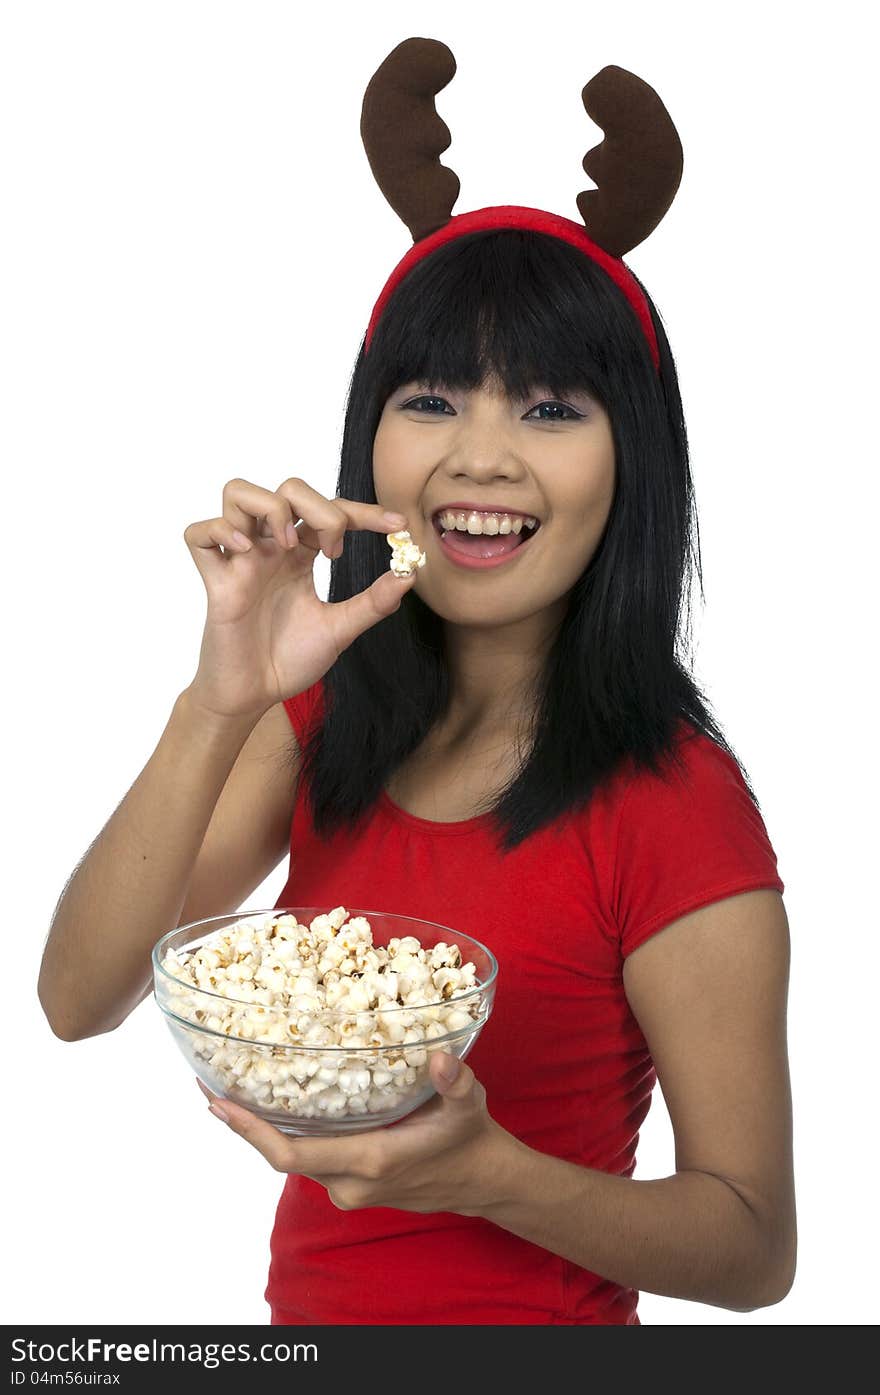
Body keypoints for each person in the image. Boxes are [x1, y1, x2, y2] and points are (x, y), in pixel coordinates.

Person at [38, 40, 796, 1326]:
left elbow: (750, 1246)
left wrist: (488, 1176)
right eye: (433, 398)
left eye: (552, 409)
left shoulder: (674, 802)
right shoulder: (321, 718)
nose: (480, 459)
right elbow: (78, 998)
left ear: (635, 464)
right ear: (370, 433)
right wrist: (221, 698)